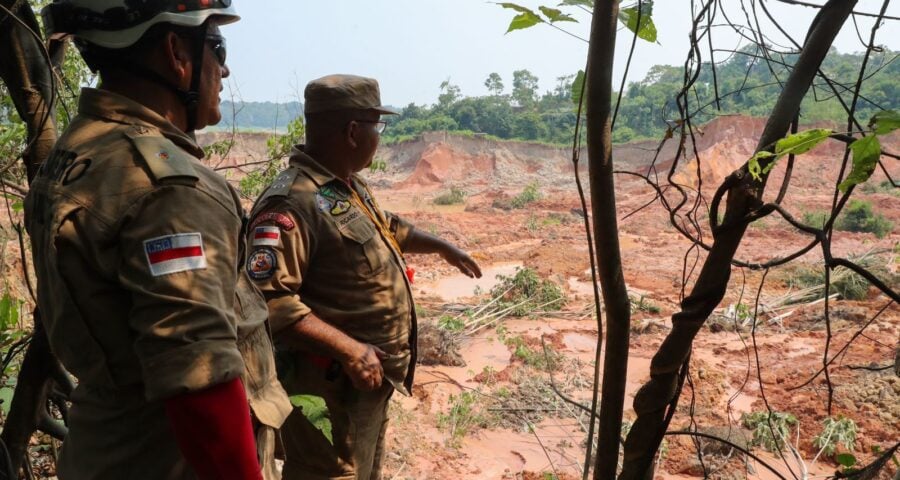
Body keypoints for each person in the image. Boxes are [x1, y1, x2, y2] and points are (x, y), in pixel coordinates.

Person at [25, 1, 292, 479]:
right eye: (217, 46)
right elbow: (202, 389)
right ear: (176, 52)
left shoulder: (79, 150)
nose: (225, 68)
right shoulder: (170, 190)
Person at [246, 74, 483, 480]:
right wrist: (351, 350)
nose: (380, 137)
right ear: (354, 131)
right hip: (327, 390)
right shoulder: (292, 202)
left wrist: (443, 246)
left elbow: (388, 226)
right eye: (378, 127)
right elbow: (268, 300)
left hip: (365, 382)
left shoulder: (344, 187)